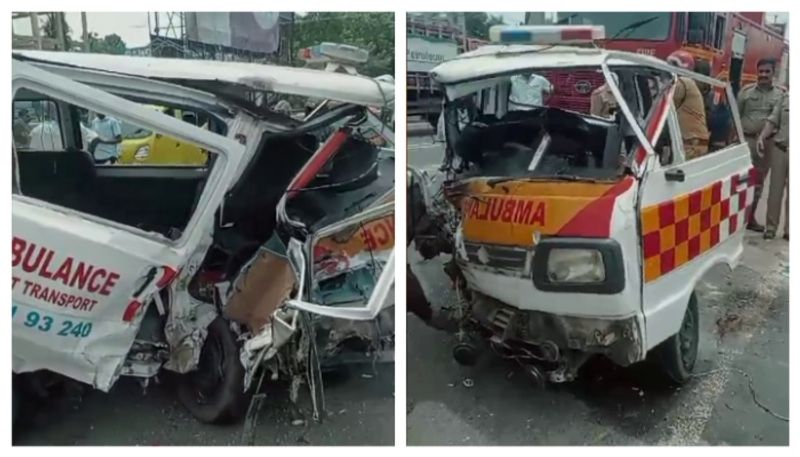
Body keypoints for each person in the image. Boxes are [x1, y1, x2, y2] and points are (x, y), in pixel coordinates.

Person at [737, 57, 786, 232]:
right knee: (741, 179)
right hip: (746, 141)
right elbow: (736, 116)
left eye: (767, 72)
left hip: (767, 144)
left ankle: (750, 218)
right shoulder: (746, 92)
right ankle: (736, 217)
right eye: (761, 71)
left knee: (758, 182)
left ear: (774, 73)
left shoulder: (781, 94)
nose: (763, 75)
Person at [666, 50, 710, 161]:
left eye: (673, 65)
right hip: (693, 142)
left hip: (691, 144)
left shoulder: (683, 82)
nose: (668, 68)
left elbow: (665, 105)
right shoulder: (689, 83)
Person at [758, 91, 789, 240]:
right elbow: (772, 121)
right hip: (781, 150)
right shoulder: (786, 98)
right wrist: (762, 136)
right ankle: (770, 227)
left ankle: (789, 230)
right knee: (775, 191)